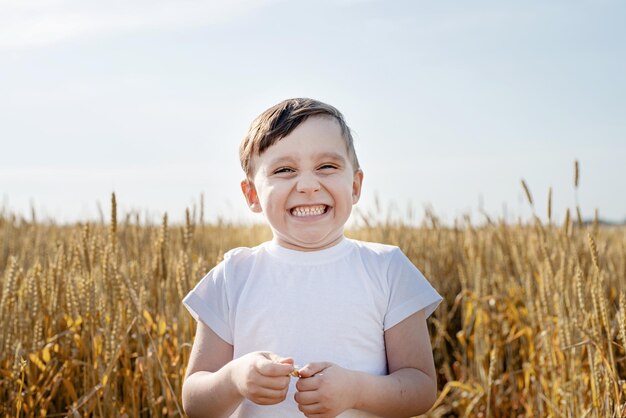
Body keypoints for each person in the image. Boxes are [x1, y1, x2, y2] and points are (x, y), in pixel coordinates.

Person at [181, 98, 442, 418]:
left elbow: (421, 388)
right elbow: (195, 401)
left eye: (327, 166)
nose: (307, 185)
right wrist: (234, 379)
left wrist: (356, 390)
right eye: (284, 170)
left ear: (356, 185)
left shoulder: (388, 268)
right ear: (252, 195)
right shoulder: (233, 275)